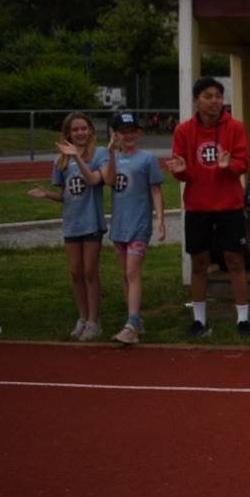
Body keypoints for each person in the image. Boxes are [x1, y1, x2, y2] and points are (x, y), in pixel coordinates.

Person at [168, 77, 250, 340]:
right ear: (196, 101)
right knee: (199, 263)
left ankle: (243, 320)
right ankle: (199, 320)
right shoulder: (183, 130)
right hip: (198, 206)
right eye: (208, 96)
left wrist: (229, 167)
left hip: (229, 205)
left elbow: (243, 163)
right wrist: (180, 172)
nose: (215, 101)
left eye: (218, 96)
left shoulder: (235, 127)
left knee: (235, 261)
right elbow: (181, 170)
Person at [30, 112, 109, 341]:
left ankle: (94, 320)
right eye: (75, 130)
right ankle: (82, 317)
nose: (80, 133)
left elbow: (93, 180)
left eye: (84, 128)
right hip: (72, 223)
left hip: (92, 222)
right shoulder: (61, 161)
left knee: (90, 271)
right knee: (75, 272)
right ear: (68, 134)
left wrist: (77, 157)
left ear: (90, 130)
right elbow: (67, 195)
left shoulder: (99, 154)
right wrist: (48, 194)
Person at [103, 112, 167, 346]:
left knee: (132, 272)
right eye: (123, 132)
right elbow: (109, 180)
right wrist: (111, 152)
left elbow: (156, 190)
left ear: (138, 133)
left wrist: (160, 217)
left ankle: (131, 324)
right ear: (115, 134)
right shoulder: (111, 158)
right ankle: (135, 318)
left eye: (132, 131)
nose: (128, 136)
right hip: (119, 225)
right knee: (126, 274)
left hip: (139, 224)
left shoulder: (147, 159)